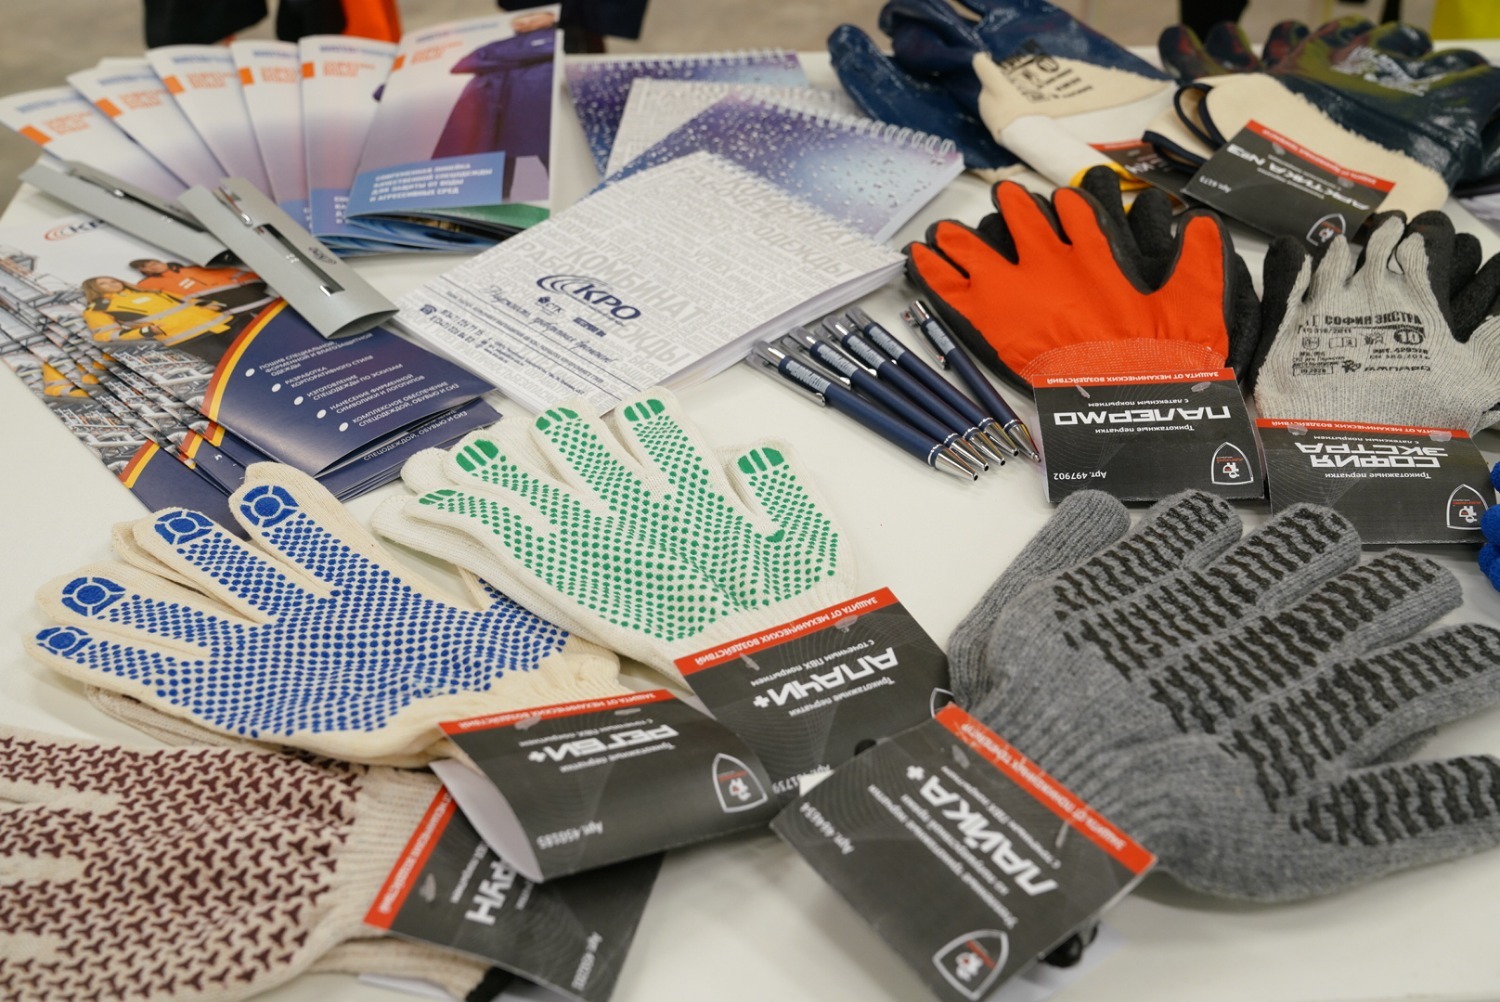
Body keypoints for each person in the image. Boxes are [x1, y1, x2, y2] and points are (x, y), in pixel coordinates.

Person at [128, 259, 274, 313]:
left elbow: (233, 273)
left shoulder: (192, 268)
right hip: (221, 307)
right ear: (144, 272)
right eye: (146, 267)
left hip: (250, 295)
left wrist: (254, 281)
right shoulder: (148, 284)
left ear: (161, 262)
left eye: (153, 263)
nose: (153, 267)